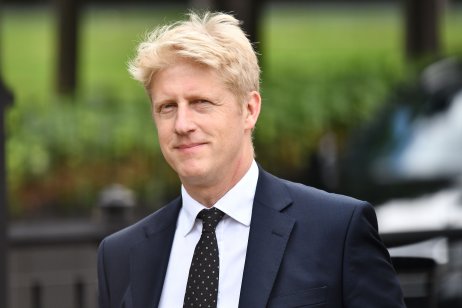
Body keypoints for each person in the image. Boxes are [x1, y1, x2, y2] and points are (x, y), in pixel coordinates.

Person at [97, 11, 405, 308]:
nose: (182, 124)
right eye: (167, 107)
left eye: (201, 103)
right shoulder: (120, 256)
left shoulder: (336, 231)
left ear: (249, 109)